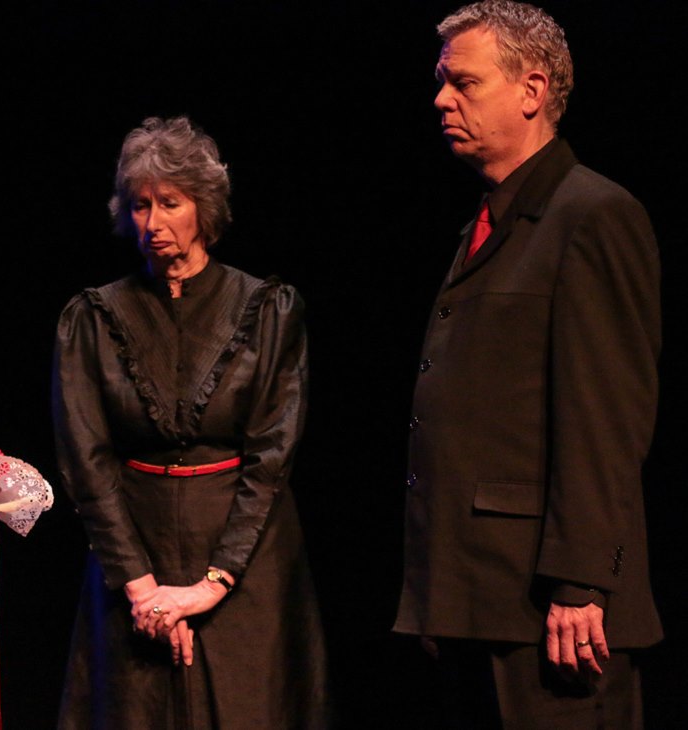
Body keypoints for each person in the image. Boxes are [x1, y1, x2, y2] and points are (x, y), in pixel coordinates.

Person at [393, 2, 662, 727]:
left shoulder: (593, 215)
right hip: (474, 596)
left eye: (464, 83)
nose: (441, 99)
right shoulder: (488, 223)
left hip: (550, 612)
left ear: (532, 91)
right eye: (442, 82)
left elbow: (606, 418)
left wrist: (580, 582)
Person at [52, 116, 326, 729]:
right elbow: (85, 460)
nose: (152, 222)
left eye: (170, 203)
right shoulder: (93, 318)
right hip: (132, 551)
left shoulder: (267, 309)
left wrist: (213, 582)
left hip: (245, 556)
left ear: (204, 207)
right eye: (140, 204)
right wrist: (141, 587)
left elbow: (272, 455)